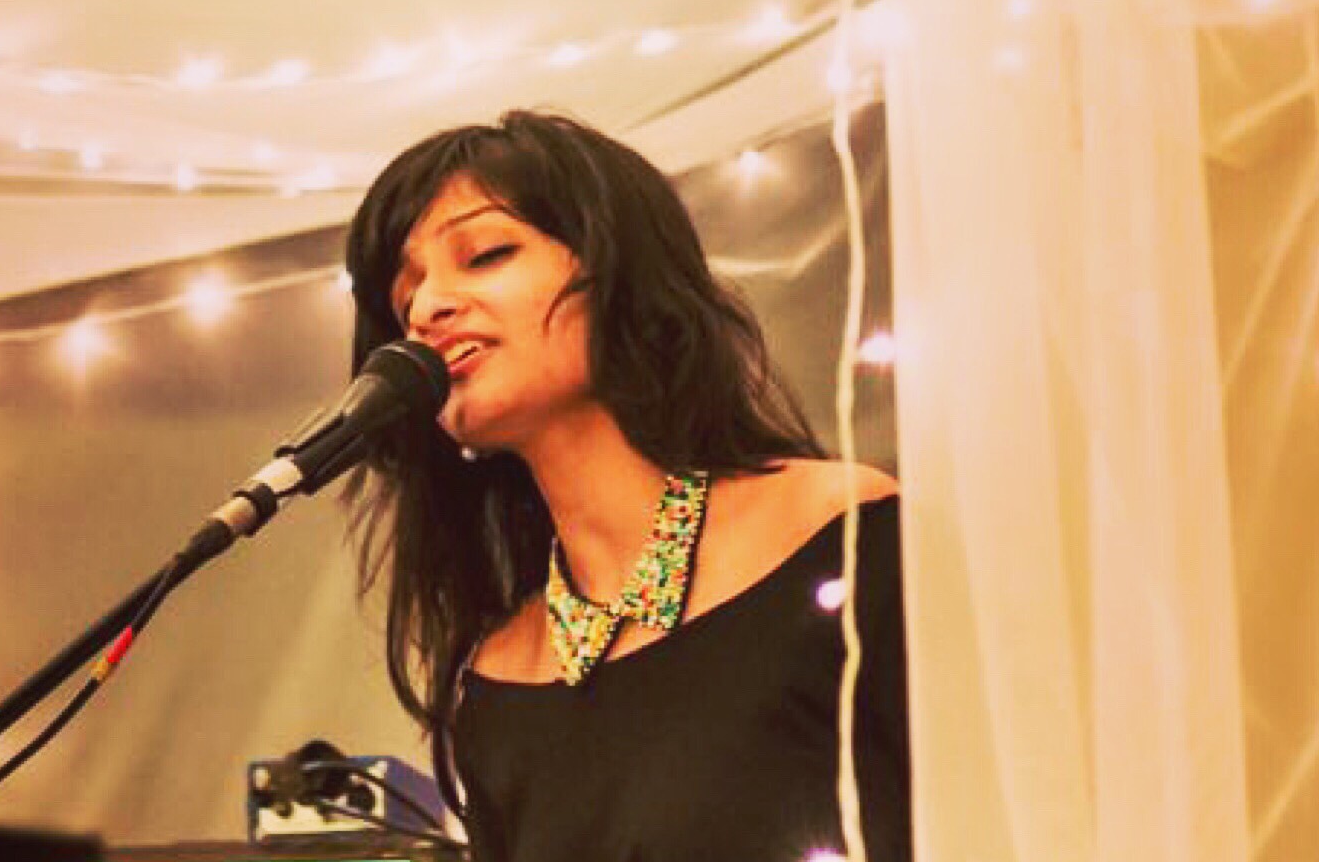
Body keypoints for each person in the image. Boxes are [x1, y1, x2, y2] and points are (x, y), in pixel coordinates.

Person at [343, 112, 909, 862]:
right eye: (404, 297)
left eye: (485, 255)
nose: (426, 309)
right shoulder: (497, 677)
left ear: (620, 271)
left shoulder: (839, 536)